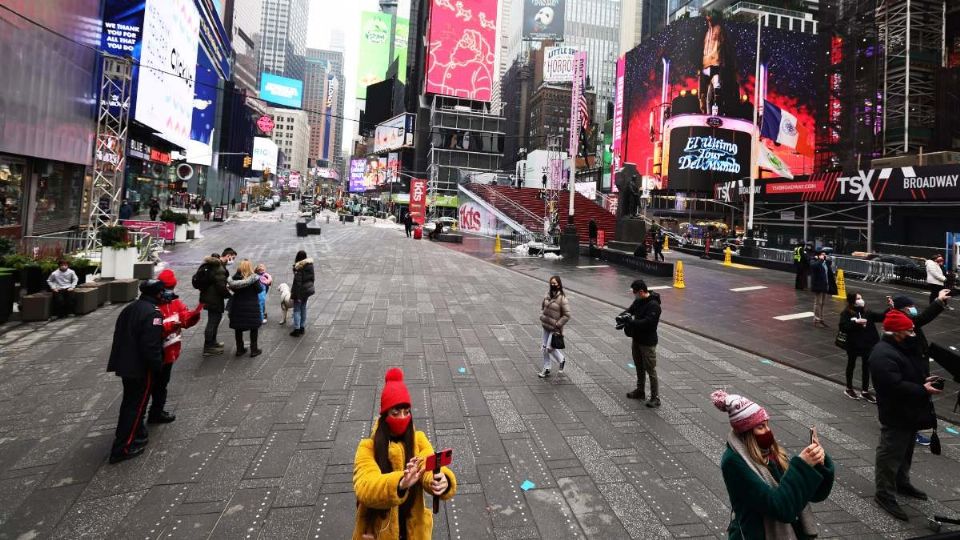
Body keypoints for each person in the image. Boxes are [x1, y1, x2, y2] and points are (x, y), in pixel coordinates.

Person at [712, 389, 835, 538]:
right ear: (747, 431)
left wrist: (818, 465)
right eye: (761, 427)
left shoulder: (770, 452)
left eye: (767, 424)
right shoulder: (733, 462)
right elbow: (780, 508)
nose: (768, 431)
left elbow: (814, 495)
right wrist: (802, 466)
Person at [352, 368, 457, 539]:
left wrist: (440, 480)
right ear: (385, 415)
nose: (402, 418)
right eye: (396, 413)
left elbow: (428, 465)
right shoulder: (367, 448)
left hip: (414, 531)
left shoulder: (418, 439)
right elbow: (365, 486)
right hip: (378, 532)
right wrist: (400, 483)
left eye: (406, 412)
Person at [869, 310, 941, 521]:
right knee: (890, 452)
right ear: (896, 332)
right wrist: (923, 389)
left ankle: (902, 482)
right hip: (896, 413)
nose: (913, 332)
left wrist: (926, 378)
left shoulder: (902, 347)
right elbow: (893, 386)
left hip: (910, 412)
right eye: (908, 330)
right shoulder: (882, 354)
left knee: (905, 450)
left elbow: (910, 371)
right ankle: (884, 494)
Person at [106, 279, 165, 464]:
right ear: (157, 294)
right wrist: (157, 365)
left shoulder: (130, 308)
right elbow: (150, 345)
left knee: (130, 403)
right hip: (140, 366)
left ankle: (136, 433)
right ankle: (123, 447)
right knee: (136, 406)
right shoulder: (152, 313)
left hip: (126, 363)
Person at [888, 291, 950, 446]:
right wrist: (938, 301)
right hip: (911, 368)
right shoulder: (904, 322)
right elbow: (923, 318)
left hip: (915, 368)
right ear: (903, 309)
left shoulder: (904, 319)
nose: (913, 308)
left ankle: (906, 427)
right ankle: (910, 430)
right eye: (910, 306)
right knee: (911, 400)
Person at [149, 269, 203, 424]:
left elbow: (184, 318)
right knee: (152, 385)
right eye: (167, 288)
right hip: (154, 352)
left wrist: (193, 316)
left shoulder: (175, 302)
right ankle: (149, 414)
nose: (169, 292)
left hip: (170, 350)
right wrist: (171, 326)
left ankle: (157, 411)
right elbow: (152, 329)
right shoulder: (152, 305)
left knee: (162, 383)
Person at [838, 292, 886, 403]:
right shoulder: (846, 313)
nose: (861, 300)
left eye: (861, 298)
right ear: (852, 301)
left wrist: (891, 307)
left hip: (867, 344)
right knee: (851, 364)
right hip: (853, 344)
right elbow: (843, 327)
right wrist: (856, 323)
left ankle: (865, 391)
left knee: (866, 367)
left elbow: (881, 317)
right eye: (858, 298)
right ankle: (849, 388)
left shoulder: (866, 312)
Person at [624, 279, 663, 408]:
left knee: (650, 369)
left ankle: (655, 397)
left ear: (641, 292)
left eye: (635, 293)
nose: (634, 295)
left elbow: (649, 323)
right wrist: (622, 317)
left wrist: (632, 322)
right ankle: (640, 391)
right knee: (639, 366)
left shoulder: (654, 305)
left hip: (648, 342)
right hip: (637, 339)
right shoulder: (638, 301)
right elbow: (630, 310)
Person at [198, 248, 236, 356]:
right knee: (212, 321)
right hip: (213, 298)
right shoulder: (218, 267)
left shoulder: (215, 265)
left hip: (209, 297)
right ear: (228, 255)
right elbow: (220, 286)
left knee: (216, 319)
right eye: (232, 258)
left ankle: (213, 343)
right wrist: (229, 295)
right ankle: (208, 347)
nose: (232, 260)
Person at [227, 259, 263, 357]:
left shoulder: (235, 278)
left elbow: (231, 288)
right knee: (254, 328)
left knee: (238, 329)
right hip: (251, 307)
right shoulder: (253, 279)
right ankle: (254, 350)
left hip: (237, 306)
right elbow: (260, 290)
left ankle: (240, 349)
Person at [537, 276, 571, 378]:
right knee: (544, 348)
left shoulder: (562, 298)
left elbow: (567, 315)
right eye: (551, 283)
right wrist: (542, 316)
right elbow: (543, 307)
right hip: (545, 325)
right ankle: (546, 368)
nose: (553, 285)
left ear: (559, 284)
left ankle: (561, 359)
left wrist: (558, 324)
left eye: (555, 283)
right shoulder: (547, 295)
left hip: (555, 328)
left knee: (549, 348)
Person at [290, 250, 315, 337]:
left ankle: (296, 329)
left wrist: (297, 295)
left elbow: (298, 282)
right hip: (307, 290)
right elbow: (312, 278)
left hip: (300, 291)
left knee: (297, 310)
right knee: (303, 308)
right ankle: (302, 327)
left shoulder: (299, 267)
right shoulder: (310, 265)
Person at [809, 250, 836, 328]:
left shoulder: (826, 263)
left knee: (823, 303)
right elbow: (813, 266)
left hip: (825, 285)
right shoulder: (815, 261)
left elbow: (829, 270)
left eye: (825, 255)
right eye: (823, 255)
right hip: (818, 285)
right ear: (818, 255)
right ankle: (816, 319)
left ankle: (821, 319)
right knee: (818, 303)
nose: (824, 256)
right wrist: (819, 259)